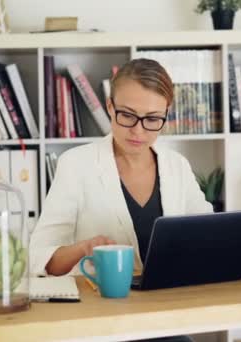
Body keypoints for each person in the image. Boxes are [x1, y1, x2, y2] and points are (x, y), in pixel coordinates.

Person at [30, 58, 213, 278]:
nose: (138, 130)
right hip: (102, 305)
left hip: (170, 301)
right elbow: (39, 258)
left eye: (153, 119)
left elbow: (209, 237)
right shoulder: (75, 165)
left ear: (166, 115)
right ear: (110, 106)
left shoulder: (178, 166)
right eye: (127, 115)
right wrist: (83, 249)